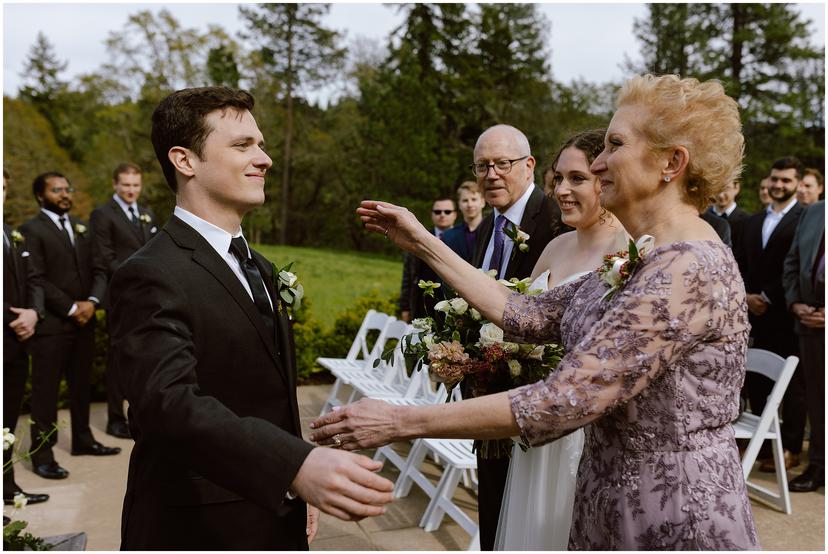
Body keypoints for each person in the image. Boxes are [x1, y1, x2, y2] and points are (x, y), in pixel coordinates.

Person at [312, 74, 759, 550]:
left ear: (672, 161)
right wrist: (423, 242)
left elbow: (562, 399)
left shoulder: (687, 267)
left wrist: (399, 422)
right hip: (609, 496)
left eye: (614, 145)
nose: (600, 161)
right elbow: (530, 316)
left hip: (670, 511)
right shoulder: (647, 255)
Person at [108, 86, 393, 550]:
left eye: (260, 144)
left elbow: (269, 396)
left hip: (271, 507)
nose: (265, 159)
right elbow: (168, 405)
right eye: (243, 145)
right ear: (185, 160)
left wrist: (294, 488)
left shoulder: (259, 265)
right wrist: (295, 464)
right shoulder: (149, 274)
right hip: (197, 525)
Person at [495, 128, 628, 550]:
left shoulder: (629, 251)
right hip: (535, 413)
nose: (563, 191)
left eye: (578, 179)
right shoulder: (553, 247)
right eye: (559, 179)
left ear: (603, 179)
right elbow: (521, 320)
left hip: (582, 428)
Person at [21, 172, 120, 481]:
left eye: (67, 188)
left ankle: (83, 440)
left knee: (81, 387)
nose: (64, 194)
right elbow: (36, 278)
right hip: (53, 325)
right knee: (45, 392)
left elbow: (99, 268)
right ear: (40, 196)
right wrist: (70, 307)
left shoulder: (82, 227)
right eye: (56, 190)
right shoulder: (30, 230)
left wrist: (92, 300)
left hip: (85, 322)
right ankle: (42, 454)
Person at [734, 156, 806, 471]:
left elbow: (797, 266)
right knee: (757, 381)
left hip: (784, 315)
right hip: (751, 313)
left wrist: (766, 296)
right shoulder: (751, 221)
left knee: (792, 386)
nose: (779, 185)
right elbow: (740, 262)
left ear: (797, 184)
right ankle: (763, 447)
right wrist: (747, 296)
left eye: (786, 180)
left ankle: (790, 447)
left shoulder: (805, 219)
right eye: (775, 179)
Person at [89, 162, 158, 440]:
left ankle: (142, 413)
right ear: (116, 185)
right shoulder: (103, 215)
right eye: (126, 185)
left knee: (148, 355)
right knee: (119, 359)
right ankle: (115, 419)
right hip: (120, 295)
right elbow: (103, 256)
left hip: (148, 295)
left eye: (135, 185)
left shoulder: (146, 213)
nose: (131, 190)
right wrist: (136, 276)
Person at [3, 170, 49, 506]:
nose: (1, 192)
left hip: (17, 346)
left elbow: (33, 279)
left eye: (3, 186)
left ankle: (7, 489)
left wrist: (33, 313)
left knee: (7, 423)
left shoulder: (11, 235)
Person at [783, 200, 825, 492]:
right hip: (810, 325)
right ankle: (819, 465)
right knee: (818, 400)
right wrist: (796, 303)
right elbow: (793, 262)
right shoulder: (814, 212)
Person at [399, 197, 457, 322]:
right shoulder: (417, 238)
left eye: (447, 212)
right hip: (422, 304)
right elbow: (408, 276)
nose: (442, 215)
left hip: (452, 306)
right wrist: (405, 307)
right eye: (437, 212)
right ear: (432, 215)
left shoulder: (463, 239)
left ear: (455, 215)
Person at [442, 181, 485, 263]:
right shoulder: (448, 236)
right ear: (459, 204)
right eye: (465, 200)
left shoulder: (493, 232)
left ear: (483, 202)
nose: (470, 204)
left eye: (474, 199)